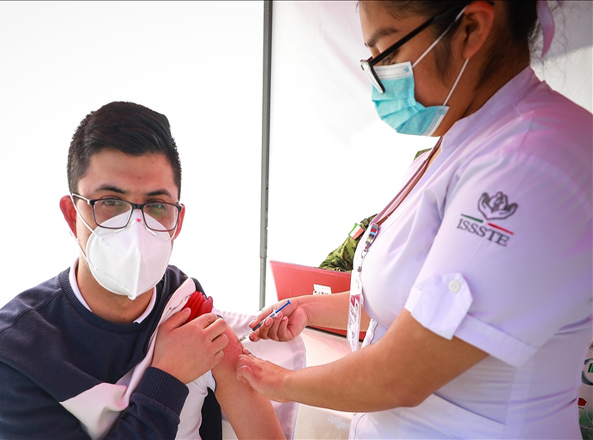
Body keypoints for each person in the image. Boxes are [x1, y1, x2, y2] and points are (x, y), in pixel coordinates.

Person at [236, 1, 592, 438]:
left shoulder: (531, 160)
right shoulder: (458, 143)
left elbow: (403, 374)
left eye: (386, 52)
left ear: (471, 29)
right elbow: (417, 301)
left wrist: (275, 380)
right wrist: (309, 308)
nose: (377, 75)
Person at [0, 101, 284, 439]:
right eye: (111, 202)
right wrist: (168, 377)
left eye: (157, 205)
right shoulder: (7, 354)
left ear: (177, 222)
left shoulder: (184, 304)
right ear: (73, 215)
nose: (135, 228)